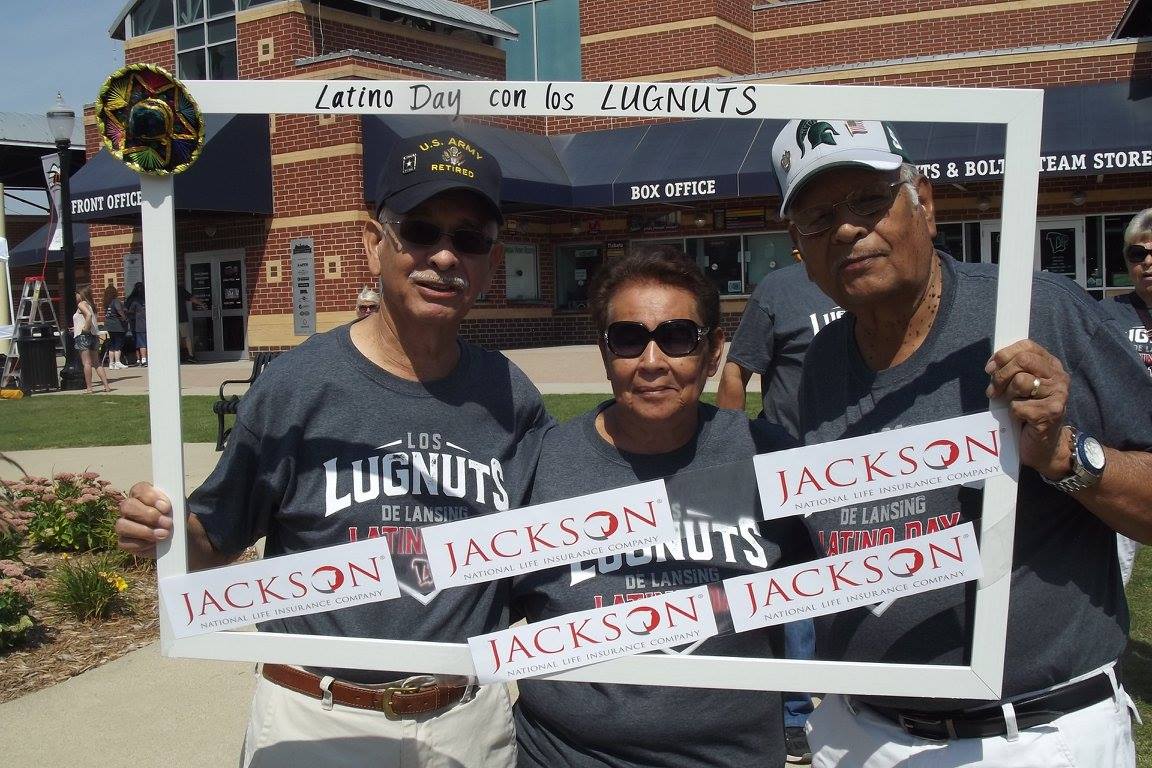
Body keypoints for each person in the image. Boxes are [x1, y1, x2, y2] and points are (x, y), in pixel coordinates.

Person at [115, 131, 552, 768]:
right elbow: (216, 536)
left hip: (464, 719)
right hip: (316, 717)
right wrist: (162, 530)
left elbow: (545, 552)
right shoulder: (297, 386)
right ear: (373, 244)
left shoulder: (512, 396)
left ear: (491, 260)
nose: (445, 256)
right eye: (421, 231)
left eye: (469, 238)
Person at [769, 118, 1152, 767]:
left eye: (869, 201)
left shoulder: (1034, 312)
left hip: (1026, 738)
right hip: (858, 733)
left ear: (926, 204)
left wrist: (1064, 454)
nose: (846, 229)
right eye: (819, 217)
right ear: (799, 247)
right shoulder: (825, 359)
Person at [511, 246, 813, 768]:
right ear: (604, 354)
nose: (652, 363)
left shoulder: (769, 458)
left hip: (731, 757)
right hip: (564, 755)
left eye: (677, 337)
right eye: (628, 339)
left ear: (715, 350)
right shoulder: (541, 463)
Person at [717, 251, 842, 764]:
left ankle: (856, 695)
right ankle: (795, 713)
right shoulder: (780, 290)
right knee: (794, 595)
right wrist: (724, 456)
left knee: (864, 584)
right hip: (789, 467)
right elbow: (734, 376)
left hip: (864, 468)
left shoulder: (875, 290)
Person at [1098, 208, 1152, 585]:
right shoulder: (1105, 315)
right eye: (1138, 254)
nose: (1147, 263)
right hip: (1126, 460)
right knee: (1116, 566)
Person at [73, 286, 110, 394]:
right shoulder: (92, 306)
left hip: (83, 336)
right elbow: (89, 317)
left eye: (77, 293)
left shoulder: (81, 304)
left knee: (87, 363)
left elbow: (88, 316)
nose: (75, 296)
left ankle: (89, 388)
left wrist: (85, 329)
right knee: (97, 363)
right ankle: (106, 386)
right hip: (94, 336)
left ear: (81, 294)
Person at [102, 284, 130, 369]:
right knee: (118, 344)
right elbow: (119, 310)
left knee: (112, 344)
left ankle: (111, 363)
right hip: (117, 325)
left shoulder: (106, 302)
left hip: (109, 325)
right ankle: (118, 362)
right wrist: (125, 318)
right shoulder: (115, 301)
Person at [177, 285, 206, 362]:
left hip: (169, 319)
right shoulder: (179, 288)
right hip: (181, 318)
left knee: (176, 338)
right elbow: (192, 298)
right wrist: (202, 304)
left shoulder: (163, 288)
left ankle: (178, 355)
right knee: (186, 337)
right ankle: (190, 355)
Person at [126, 282, 148, 367]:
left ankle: (140, 359)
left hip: (136, 323)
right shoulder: (148, 298)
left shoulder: (132, 300)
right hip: (146, 323)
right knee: (146, 342)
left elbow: (129, 311)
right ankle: (145, 359)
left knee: (139, 342)